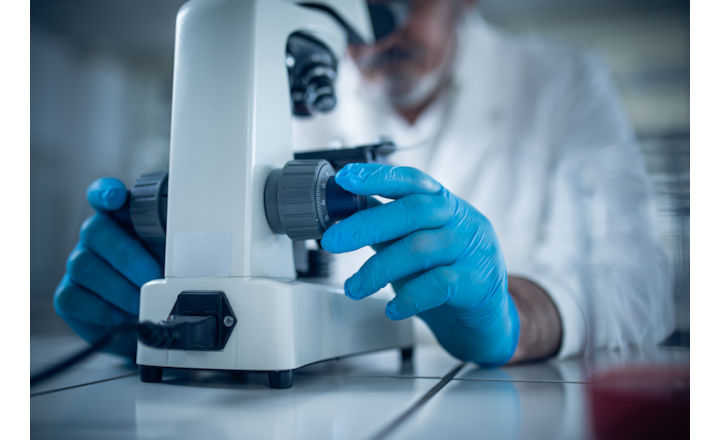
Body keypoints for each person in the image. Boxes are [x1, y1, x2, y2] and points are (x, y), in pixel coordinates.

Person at [53, 0, 674, 365]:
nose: (379, 35)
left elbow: (640, 285)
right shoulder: (285, 82)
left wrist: (518, 314)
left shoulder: (562, 80)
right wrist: (159, 287)